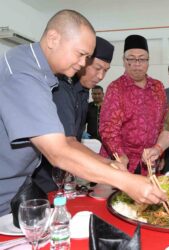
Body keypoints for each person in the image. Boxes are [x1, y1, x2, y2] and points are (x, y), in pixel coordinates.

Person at [0, 9, 166, 216]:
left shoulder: (42, 74)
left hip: (15, 191)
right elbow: (58, 152)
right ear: (53, 39)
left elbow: (68, 141)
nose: (82, 63)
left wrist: (108, 164)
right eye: (80, 54)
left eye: (87, 57)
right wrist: (127, 181)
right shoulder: (24, 73)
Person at [32, 36, 116, 192]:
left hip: (65, 174)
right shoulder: (61, 89)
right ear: (83, 61)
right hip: (45, 179)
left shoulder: (83, 91)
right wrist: (108, 167)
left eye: (105, 70)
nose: (101, 76)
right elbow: (68, 142)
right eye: (97, 68)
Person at [99, 34, 167, 176]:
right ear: (124, 61)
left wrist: (161, 152)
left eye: (142, 59)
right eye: (131, 59)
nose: (137, 63)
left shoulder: (158, 87)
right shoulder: (116, 88)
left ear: (148, 61)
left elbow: (163, 124)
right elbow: (108, 129)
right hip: (123, 162)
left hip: (149, 161)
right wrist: (120, 155)